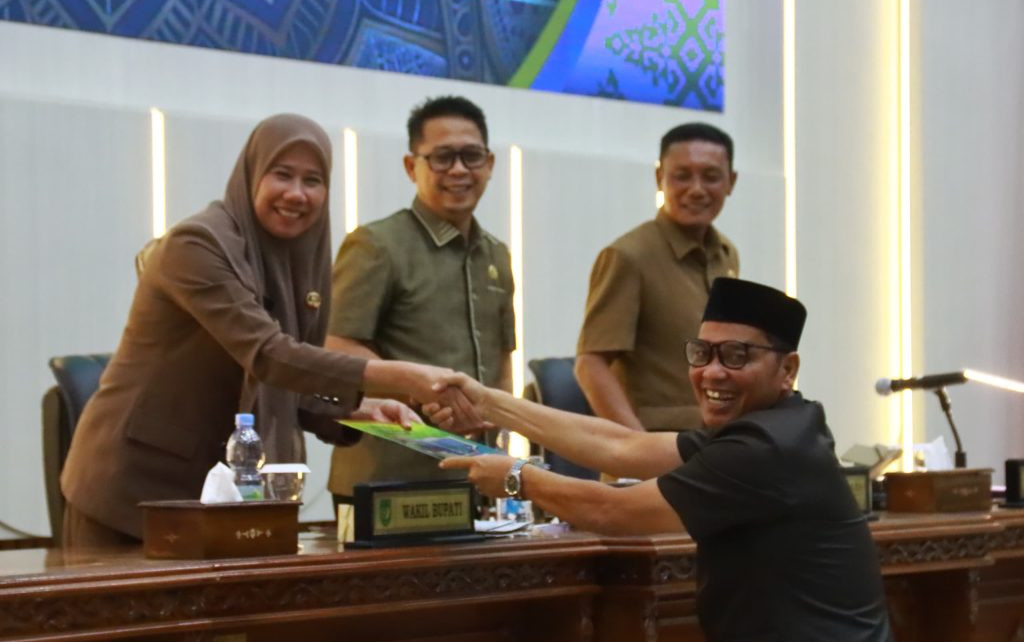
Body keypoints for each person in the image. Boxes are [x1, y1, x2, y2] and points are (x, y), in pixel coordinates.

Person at [435, 278, 916, 642]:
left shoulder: (768, 448)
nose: (712, 372)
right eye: (702, 353)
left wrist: (517, 477)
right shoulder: (770, 427)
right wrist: (491, 404)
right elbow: (622, 446)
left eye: (736, 356)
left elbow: (614, 512)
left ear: (787, 369)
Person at [60, 113, 476, 549]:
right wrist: (404, 377)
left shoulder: (300, 259)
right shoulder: (196, 245)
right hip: (135, 493)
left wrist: (357, 408)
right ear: (252, 174)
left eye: (313, 180)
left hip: (228, 500)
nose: (296, 194)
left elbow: (286, 382)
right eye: (282, 174)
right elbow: (269, 355)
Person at [325, 96, 514, 506]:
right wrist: (420, 390)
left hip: (475, 477)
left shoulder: (496, 254)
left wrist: (500, 442)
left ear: (489, 164)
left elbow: (501, 361)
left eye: (471, 156)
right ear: (412, 167)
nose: (459, 170)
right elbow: (335, 347)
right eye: (443, 157)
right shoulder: (376, 245)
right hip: (388, 480)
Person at [575, 122, 740, 436]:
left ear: (731, 182)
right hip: (654, 447)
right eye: (682, 175)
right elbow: (590, 366)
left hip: (714, 442)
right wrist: (637, 446)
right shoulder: (628, 256)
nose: (696, 189)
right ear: (659, 178)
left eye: (711, 176)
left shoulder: (726, 254)